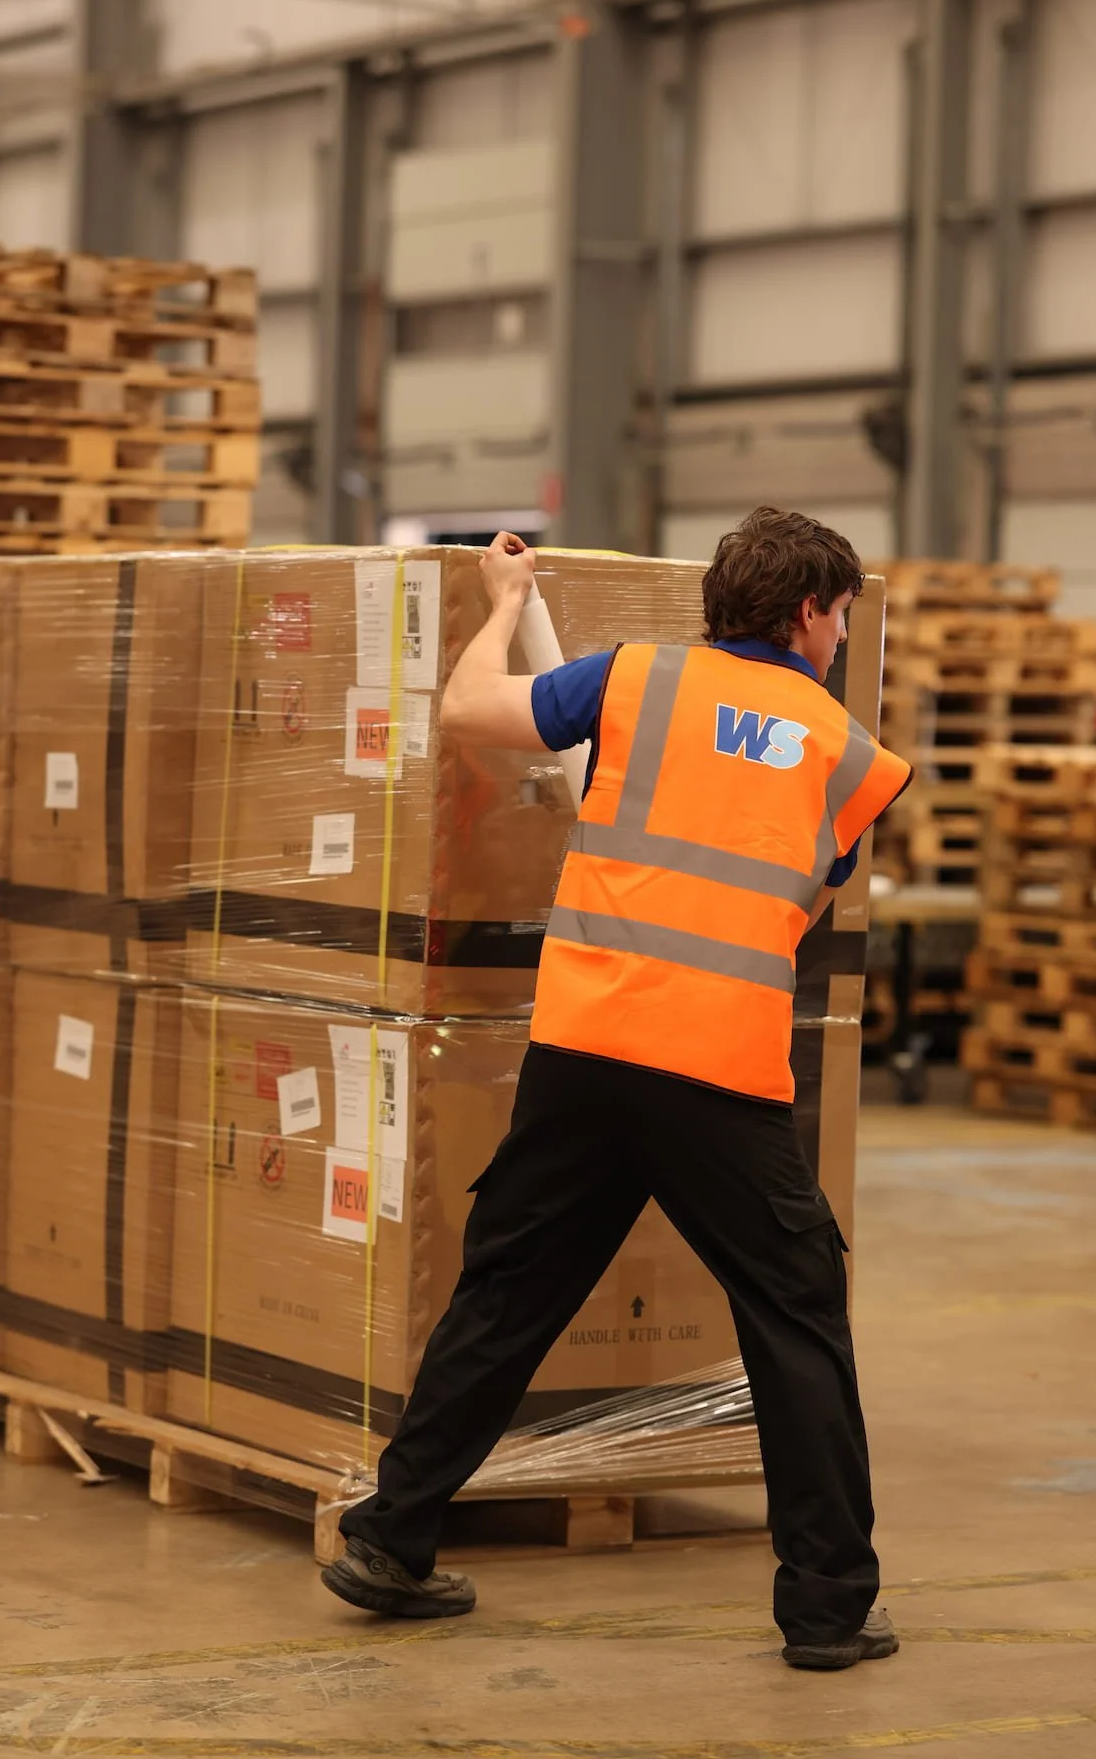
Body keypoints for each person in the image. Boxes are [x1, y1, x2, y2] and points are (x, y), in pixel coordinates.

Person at [322, 506, 912, 1673]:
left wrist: (503, 614)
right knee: (796, 1316)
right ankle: (829, 1608)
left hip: (584, 1053)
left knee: (506, 1294)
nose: (842, 638)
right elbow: (813, 880)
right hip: (718, 1075)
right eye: (840, 616)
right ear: (807, 612)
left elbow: (471, 716)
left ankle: (392, 1538)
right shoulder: (850, 753)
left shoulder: (633, 681)